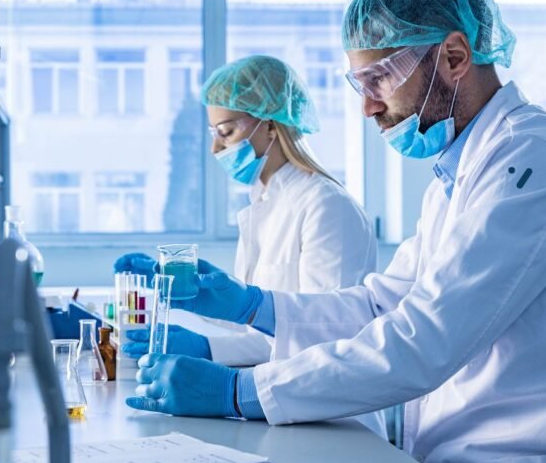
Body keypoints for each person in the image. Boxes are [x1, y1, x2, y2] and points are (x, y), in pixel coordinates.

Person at [123, 0, 546, 463]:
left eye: (381, 78)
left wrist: (244, 392)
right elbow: (383, 303)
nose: (369, 108)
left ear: (454, 55)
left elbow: (424, 339)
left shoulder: (537, 163)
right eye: (358, 85)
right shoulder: (455, 178)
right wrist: (255, 306)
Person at [116, 55, 385, 437]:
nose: (215, 149)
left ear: (271, 125)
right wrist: (200, 290)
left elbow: (322, 335)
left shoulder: (326, 206)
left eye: (225, 132)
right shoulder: (263, 202)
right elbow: (256, 322)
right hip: (280, 412)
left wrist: (210, 348)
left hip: (334, 421)